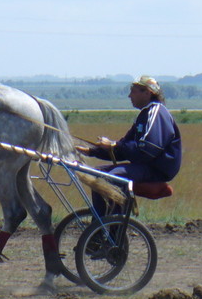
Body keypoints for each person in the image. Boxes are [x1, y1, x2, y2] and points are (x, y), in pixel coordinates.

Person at [77, 75, 182, 214]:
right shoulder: (144, 115)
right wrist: (92, 151)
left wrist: (114, 145)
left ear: (147, 92)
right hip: (144, 166)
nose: (129, 96)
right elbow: (124, 147)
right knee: (98, 174)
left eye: (133, 91)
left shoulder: (156, 112)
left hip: (156, 169)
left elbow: (148, 149)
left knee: (113, 178)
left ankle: (115, 225)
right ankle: (100, 224)